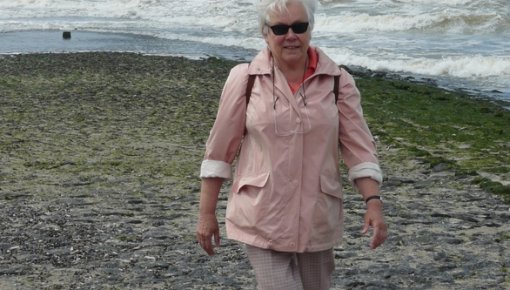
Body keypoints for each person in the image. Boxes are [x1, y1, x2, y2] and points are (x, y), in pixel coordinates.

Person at [196, 0, 387, 289]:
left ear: (310, 29)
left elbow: (359, 149)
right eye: (280, 28)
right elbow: (220, 150)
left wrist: (373, 203)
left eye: (299, 27)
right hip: (261, 214)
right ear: (265, 33)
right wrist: (206, 214)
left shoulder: (338, 81)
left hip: (317, 216)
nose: (291, 36)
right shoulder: (245, 79)